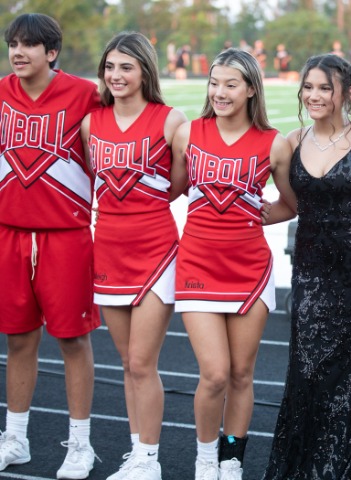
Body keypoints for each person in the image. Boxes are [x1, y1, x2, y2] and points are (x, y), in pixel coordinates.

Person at [263, 53, 351, 479]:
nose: (314, 96)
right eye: (308, 87)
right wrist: (237, 214)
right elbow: (289, 204)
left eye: (324, 88)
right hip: (310, 269)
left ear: (348, 92)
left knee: (350, 372)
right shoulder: (291, 141)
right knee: (306, 367)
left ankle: (345, 466)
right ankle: (302, 468)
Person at [171, 48, 297, 480]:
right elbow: (172, 190)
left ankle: (231, 460)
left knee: (242, 373)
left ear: (250, 90)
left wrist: (258, 216)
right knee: (214, 374)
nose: (220, 92)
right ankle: (205, 458)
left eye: (230, 84)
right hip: (197, 264)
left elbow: (291, 203)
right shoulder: (189, 133)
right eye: (214, 83)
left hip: (249, 270)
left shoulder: (274, 143)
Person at [80, 32, 188, 480]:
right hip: (107, 249)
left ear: (145, 70)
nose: (116, 75)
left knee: (143, 362)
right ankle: (136, 452)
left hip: (155, 251)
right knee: (127, 363)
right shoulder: (92, 123)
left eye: (126, 66)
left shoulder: (171, 120)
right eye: (109, 67)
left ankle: (149, 459)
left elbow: (177, 185)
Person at [0, 12, 101, 479]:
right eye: (13, 44)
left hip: (66, 235)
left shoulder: (86, 94)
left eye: (28, 45)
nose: (18, 52)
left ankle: (80, 444)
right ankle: (15, 437)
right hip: (9, 233)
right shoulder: (1, 93)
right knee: (18, 338)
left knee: (73, 340)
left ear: (52, 52)